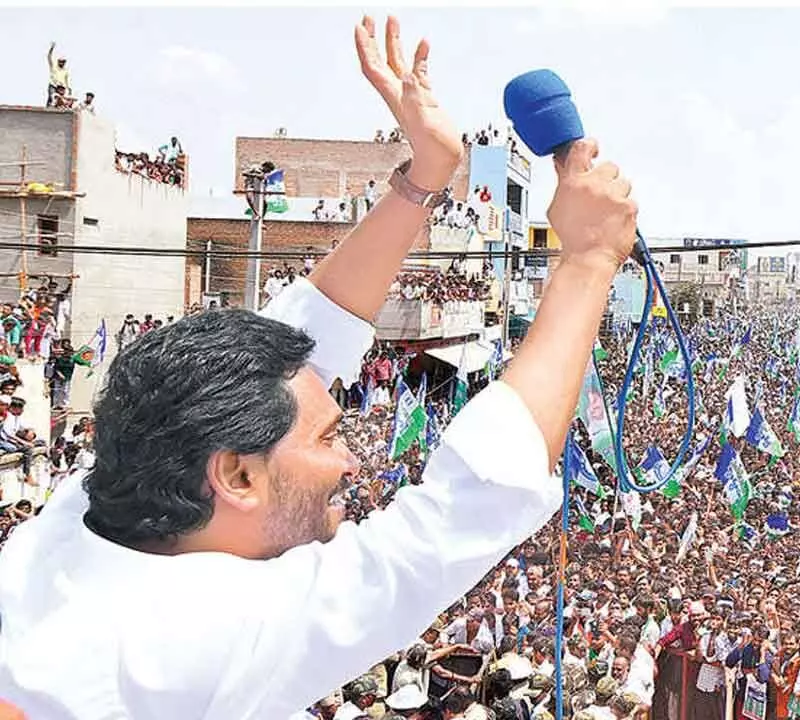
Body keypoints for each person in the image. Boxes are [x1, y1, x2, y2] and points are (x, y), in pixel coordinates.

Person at [0, 13, 637, 719]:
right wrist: (588, 262)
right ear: (237, 475)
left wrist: (425, 177)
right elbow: (467, 505)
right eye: (328, 438)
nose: (351, 465)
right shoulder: (203, 639)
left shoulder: (73, 529)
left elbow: (292, 341)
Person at [46, 42, 69, 107]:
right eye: (60, 61)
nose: (61, 63)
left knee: (60, 100)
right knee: (52, 97)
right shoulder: (54, 67)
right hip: (53, 85)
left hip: (60, 88)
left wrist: (68, 88)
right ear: (58, 61)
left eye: (63, 62)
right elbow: (49, 57)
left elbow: (66, 80)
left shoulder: (65, 71)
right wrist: (51, 49)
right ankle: (49, 107)